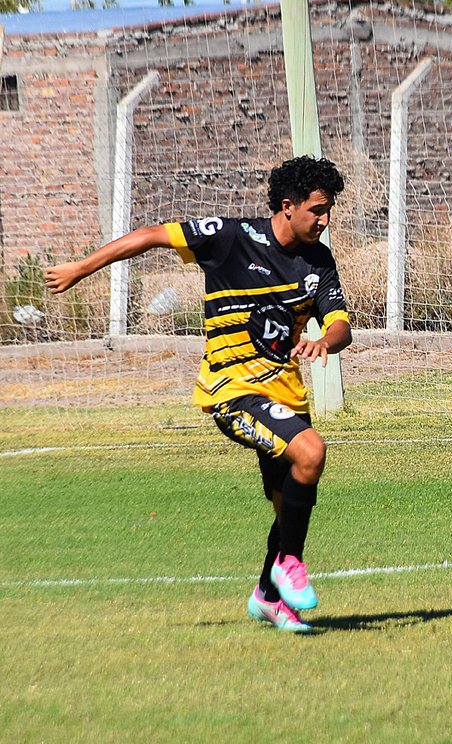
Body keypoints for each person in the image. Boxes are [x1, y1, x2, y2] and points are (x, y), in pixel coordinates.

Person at [45, 156, 352, 633]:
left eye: (328, 209)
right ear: (288, 206)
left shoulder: (318, 260)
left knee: (288, 503)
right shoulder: (231, 238)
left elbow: (339, 324)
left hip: (286, 398)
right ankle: (289, 566)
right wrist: (82, 268)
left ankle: (269, 597)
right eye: (318, 209)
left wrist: (323, 341)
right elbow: (151, 235)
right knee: (312, 453)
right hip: (231, 393)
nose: (325, 219)